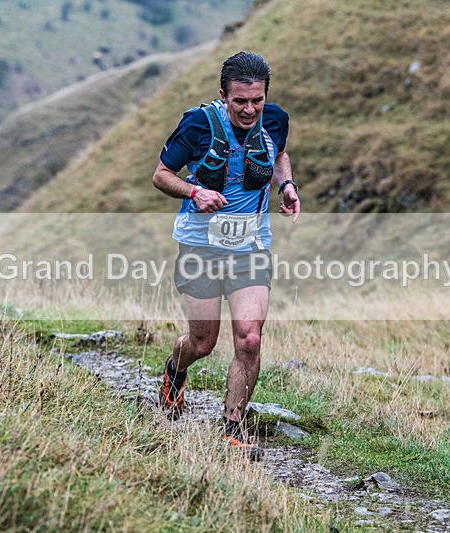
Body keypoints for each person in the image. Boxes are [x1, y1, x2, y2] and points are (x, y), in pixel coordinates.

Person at [152, 51, 300, 460]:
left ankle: (233, 425)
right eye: (240, 101)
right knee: (202, 343)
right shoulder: (198, 124)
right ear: (223, 95)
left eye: (258, 100)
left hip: (251, 244)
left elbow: (280, 155)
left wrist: (287, 187)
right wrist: (194, 191)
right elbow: (161, 175)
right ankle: (174, 371)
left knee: (249, 338)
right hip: (200, 244)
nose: (250, 109)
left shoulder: (275, 119)